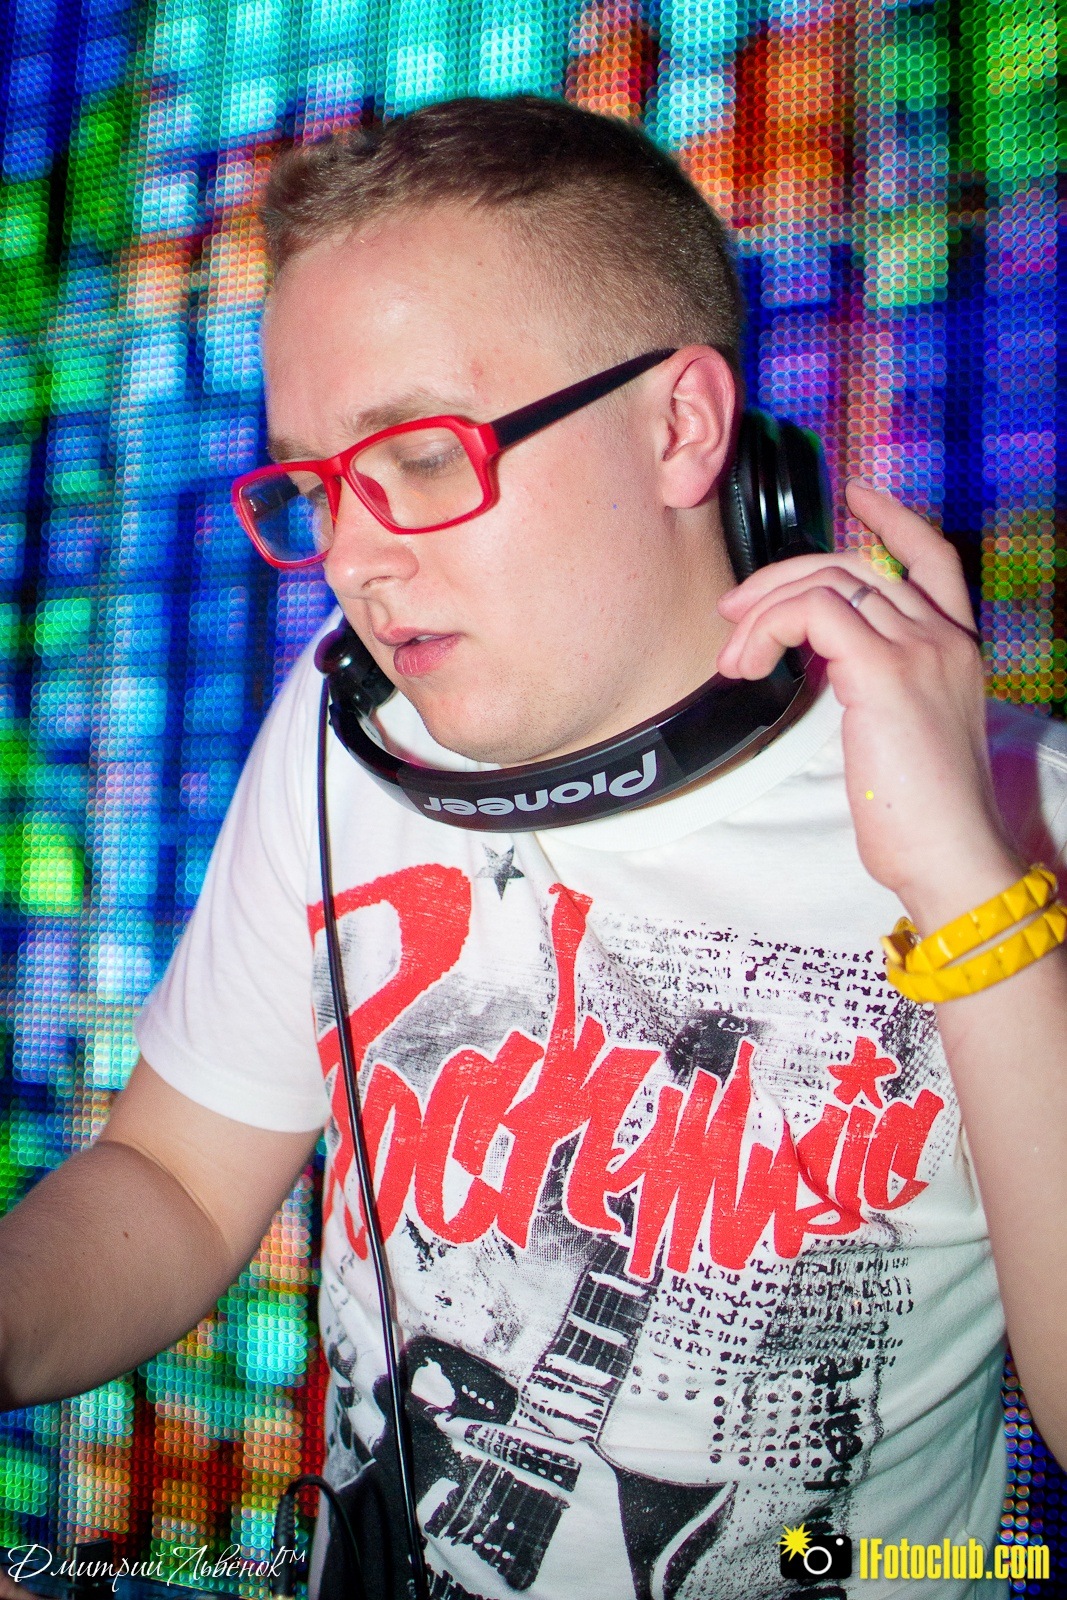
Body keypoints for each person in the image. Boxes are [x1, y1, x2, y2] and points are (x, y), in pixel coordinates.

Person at [1, 94, 1065, 1600]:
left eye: (422, 456)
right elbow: (174, 1182)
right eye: (312, 483)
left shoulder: (1020, 819)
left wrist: (967, 888)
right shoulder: (345, 729)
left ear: (681, 428)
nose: (351, 556)